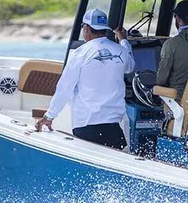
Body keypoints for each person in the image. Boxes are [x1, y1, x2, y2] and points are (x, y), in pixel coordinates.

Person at [35, 8, 135, 150]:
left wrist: (49, 116)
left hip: (86, 126)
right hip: (112, 128)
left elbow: (65, 88)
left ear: (86, 29)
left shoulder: (80, 53)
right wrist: (123, 40)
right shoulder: (120, 51)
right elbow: (130, 66)